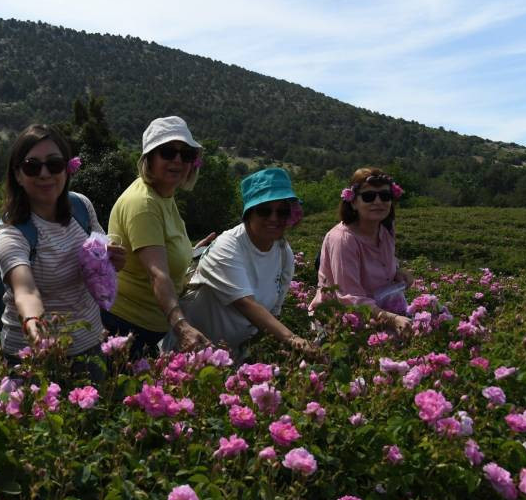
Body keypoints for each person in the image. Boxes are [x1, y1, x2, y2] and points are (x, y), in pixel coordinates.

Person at [0, 125, 125, 372]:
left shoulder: (81, 207)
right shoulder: (12, 232)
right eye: (32, 166)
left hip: (89, 345)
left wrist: (113, 261)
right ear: (18, 175)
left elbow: (99, 259)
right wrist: (36, 329)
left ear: (67, 168)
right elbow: (26, 291)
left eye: (54, 164)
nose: (44, 174)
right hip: (32, 355)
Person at [169, 168, 314, 356]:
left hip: (231, 356)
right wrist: (294, 340)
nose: (273, 218)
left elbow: (273, 313)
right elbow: (245, 303)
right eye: (264, 210)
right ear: (249, 213)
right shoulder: (228, 246)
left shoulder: (283, 253)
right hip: (188, 349)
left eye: (282, 212)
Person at [105, 116, 215, 357]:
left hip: (143, 330)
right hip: (124, 329)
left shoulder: (164, 197)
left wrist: (193, 252)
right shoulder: (144, 203)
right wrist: (182, 326)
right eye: (167, 152)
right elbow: (157, 273)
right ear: (149, 159)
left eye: (185, 154)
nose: (177, 160)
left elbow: (160, 251)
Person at [309, 167, 412, 334]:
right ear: (353, 202)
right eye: (368, 197)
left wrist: (397, 272)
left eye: (385, 196)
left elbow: (383, 263)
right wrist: (393, 319)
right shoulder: (343, 239)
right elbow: (349, 298)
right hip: (341, 322)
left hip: (377, 312)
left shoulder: (385, 227)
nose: (378, 202)